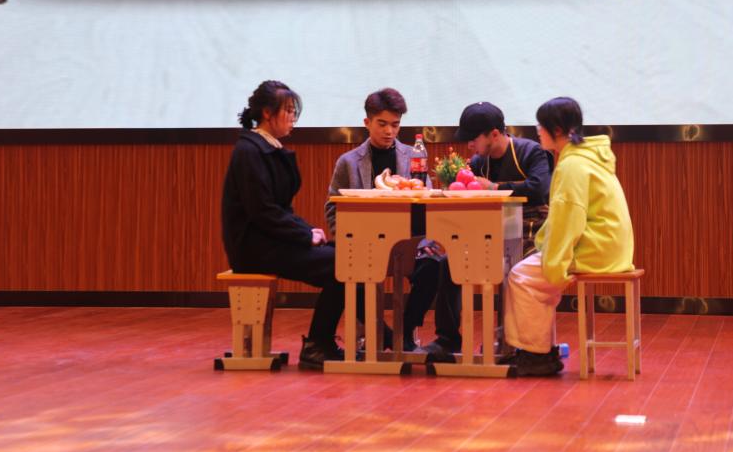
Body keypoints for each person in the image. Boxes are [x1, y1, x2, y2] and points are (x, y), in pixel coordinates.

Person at [221, 80, 349, 370]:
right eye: (288, 111)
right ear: (267, 113)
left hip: (269, 240)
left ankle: (366, 338)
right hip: (254, 247)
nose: (293, 118)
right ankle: (318, 344)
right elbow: (263, 211)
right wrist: (304, 235)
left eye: (294, 111)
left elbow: (280, 210)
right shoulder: (249, 151)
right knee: (343, 265)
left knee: (346, 257)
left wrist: (307, 231)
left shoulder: (267, 148)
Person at [502, 97, 634, 376]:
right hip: (609, 245)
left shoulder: (572, 164)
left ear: (557, 130)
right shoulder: (587, 157)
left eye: (541, 126)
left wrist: (554, 262)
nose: (538, 131)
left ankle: (536, 355)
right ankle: (540, 350)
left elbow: (568, 219)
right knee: (533, 275)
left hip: (597, 248)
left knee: (521, 276)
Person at [422, 101, 553, 362]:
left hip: (531, 231)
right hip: (489, 231)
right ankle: (448, 339)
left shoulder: (532, 152)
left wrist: (493, 188)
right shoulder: (478, 162)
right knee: (449, 262)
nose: (469, 145)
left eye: (473, 139)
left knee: (516, 267)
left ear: (494, 134)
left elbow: (538, 189)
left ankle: (515, 342)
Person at [325, 88, 437, 352]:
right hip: (365, 244)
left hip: (411, 242)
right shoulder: (348, 162)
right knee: (346, 269)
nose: (389, 131)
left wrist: (427, 240)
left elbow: (430, 202)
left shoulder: (414, 157)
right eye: (382, 124)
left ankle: (405, 332)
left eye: (395, 125)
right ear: (367, 122)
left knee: (435, 265)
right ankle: (385, 336)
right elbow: (333, 208)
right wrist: (346, 240)